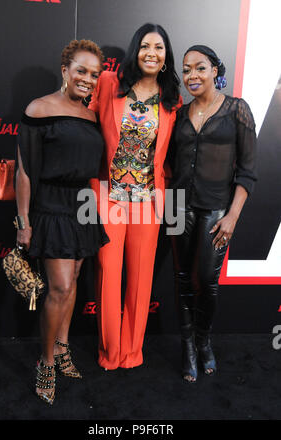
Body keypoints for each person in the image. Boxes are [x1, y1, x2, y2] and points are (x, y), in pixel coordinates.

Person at [15, 39, 109, 404]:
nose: (88, 79)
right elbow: (24, 169)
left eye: (94, 74)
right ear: (65, 70)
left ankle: (64, 346)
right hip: (51, 205)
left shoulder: (91, 115)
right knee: (59, 287)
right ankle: (46, 362)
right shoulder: (39, 108)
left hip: (82, 205)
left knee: (72, 287)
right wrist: (23, 220)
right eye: (81, 71)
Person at [89, 23, 182, 370]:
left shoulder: (172, 98)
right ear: (135, 50)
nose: (151, 53)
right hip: (108, 196)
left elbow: (171, 154)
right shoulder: (109, 83)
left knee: (141, 279)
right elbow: (84, 122)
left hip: (149, 200)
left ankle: (132, 352)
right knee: (108, 272)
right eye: (145, 46)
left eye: (159, 48)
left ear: (166, 57)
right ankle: (109, 352)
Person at [168, 45, 257, 382]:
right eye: (187, 69)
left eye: (200, 68)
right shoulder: (179, 115)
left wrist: (232, 215)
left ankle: (204, 341)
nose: (192, 75)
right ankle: (187, 346)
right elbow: (170, 162)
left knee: (206, 281)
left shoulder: (237, 109)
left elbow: (248, 170)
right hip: (177, 206)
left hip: (216, 208)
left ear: (216, 71)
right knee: (181, 280)